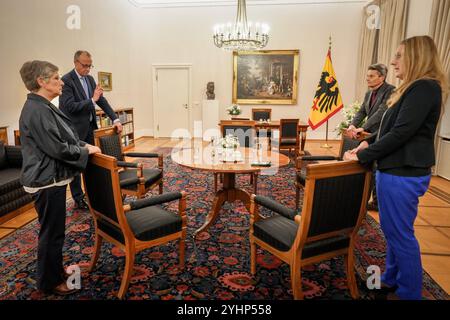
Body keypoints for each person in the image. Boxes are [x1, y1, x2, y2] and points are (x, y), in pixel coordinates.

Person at [344, 36, 448, 300]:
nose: (393, 61)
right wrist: (366, 146)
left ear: (416, 56)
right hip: (395, 170)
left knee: (401, 236)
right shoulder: (413, 88)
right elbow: (390, 130)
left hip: (403, 172)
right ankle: (389, 279)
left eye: (399, 55)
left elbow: (401, 133)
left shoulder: (424, 88)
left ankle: (410, 293)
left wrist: (363, 157)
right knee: (393, 232)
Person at [19, 60, 101, 295]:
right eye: (55, 78)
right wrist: (85, 150)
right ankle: (50, 282)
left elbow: (64, 137)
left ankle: (54, 271)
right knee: (52, 233)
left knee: (55, 231)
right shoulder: (37, 109)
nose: (61, 81)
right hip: (46, 180)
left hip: (50, 178)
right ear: (41, 82)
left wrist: (83, 143)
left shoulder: (43, 105)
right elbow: (58, 148)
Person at [59, 50, 122, 210]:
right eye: (84, 65)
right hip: (73, 131)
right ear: (75, 63)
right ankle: (78, 198)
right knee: (76, 165)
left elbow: (101, 100)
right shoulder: (66, 81)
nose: (87, 69)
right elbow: (70, 107)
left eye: (89, 65)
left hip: (89, 127)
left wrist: (115, 118)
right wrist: (92, 99)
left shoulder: (90, 79)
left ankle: (93, 192)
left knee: (92, 160)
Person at [346, 64, 395, 211]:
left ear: (382, 77)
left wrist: (363, 127)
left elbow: (381, 112)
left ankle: (377, 202)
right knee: (369, 167)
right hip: (369, 136)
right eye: (367, 76)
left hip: (382, 134)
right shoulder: (369, 93)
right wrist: (352, 125)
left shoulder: (390, 91)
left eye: (371, 76)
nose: (368, 79)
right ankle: (366, 201)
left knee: (377, 168)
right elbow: (362, 111)